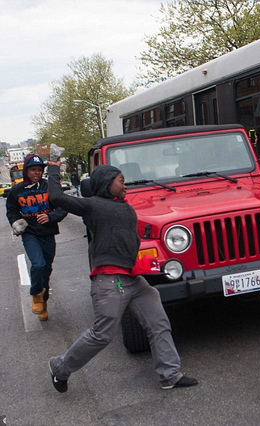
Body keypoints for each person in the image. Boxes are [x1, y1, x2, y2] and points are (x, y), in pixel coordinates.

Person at [46, 160, 198, 392]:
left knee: (158, 323)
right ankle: (60, 367)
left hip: (134, 279)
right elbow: (56, 197)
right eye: (121, 181)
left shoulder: (126, 207)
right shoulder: (92, 206)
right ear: (107, 183)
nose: (125, 185)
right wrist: (54, 168)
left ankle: (170, 375)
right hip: (109, 280)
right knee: (102, 334)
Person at [5, 154, 67, 321]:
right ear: (26, 171)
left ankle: (43, 301)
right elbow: (11, 210)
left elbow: (62, 207)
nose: (37, 173)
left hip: (47, 233)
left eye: (40, 170)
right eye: (33, 170)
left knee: (46, 270)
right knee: (38, 264)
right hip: (30, 234)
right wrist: (15, 223)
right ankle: (35, 296)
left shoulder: (49, 187)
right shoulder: (16, 191)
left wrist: (51, 217)